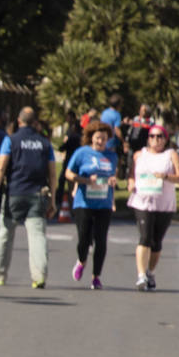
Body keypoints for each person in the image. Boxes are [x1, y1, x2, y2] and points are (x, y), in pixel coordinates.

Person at [0, 106, 56, 288]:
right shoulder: (45, 143)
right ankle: (39, 276)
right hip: (37, 195)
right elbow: (53, 173)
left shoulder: (11, 140)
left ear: (19, 121)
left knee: (5, 233)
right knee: (38, 236)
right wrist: (53, 200)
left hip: (14, 194)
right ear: (35, 122)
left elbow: (0, 167)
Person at [127, 124, 179, 291]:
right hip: (142, 201)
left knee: (156, 242)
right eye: (152, 136)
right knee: (144, 238)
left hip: (164, 203)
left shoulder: (171, 155)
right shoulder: (140, 155)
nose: (155, 139)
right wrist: (131, 184)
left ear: (165, 139)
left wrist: (166, 176)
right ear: (148, 139)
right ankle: (141, 276)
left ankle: (150, 271)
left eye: (159, 136)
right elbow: (132, 175)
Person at [64, 121, 118, 289]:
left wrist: (112, 183)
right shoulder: (82, 153)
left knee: (101, 240)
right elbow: (68, 173)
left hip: (104, 203)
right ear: (91, 138)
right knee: (83, 238)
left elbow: (113, 176)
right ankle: (81, 261)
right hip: (84, 201)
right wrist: (86, 180)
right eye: (97, 138)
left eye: (104, 138)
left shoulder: (112, 156)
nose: (101, 141)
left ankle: (96, 276)